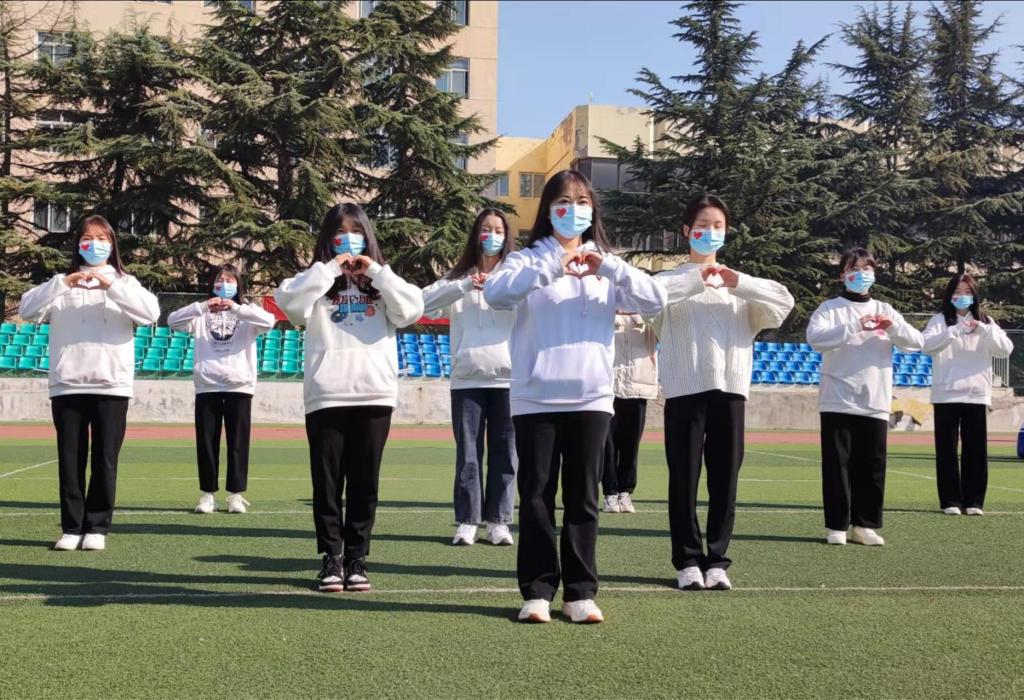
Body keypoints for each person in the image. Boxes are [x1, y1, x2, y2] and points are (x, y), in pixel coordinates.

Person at [484, 169, 667, 624]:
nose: (573, 210)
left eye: (582, 202)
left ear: (593, 210)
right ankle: (537, 591)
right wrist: (553, 267)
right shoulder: (526, 260)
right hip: (536, 398)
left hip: (592, 397)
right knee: (536, 496)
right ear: (548, 210)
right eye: (563, 202)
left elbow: (655, 300)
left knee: (584, 498)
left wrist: (609, 266)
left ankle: (580, 592)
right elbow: (496, 294)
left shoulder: (606, 264)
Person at [275, 203, 423, 592]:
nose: (348, 240)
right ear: (328, 239)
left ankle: (357, 558)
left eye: (355, 232)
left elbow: (411, 310)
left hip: (374, 394)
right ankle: (331, 558)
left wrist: (374, 271)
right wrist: (329, 269)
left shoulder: (382, 281)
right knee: (327, 485)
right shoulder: (314, 280)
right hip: (327, 395)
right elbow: (291, 306)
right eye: (339, 233)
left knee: (364, 483)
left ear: (367, 236)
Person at [653, 194, 794, 591]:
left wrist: (739, 282)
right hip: (684, 389)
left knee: (725, 479)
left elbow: (784, 302)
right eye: (702, 225)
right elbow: (648, 300)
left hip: (730, 391)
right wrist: (695, 279)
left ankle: (717, 559)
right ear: (686, 230)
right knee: (684, 478)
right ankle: (687, 560)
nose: (709, 232)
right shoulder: (668, 281)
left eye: (718, 226)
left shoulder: (739, 285)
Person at [18, 214, 159, 551]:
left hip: (111, 384)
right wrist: (62, 284)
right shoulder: (60, 283)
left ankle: (96, 527)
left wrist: (111, 286)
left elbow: (150, 314)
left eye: (101, 239)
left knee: (105, 459)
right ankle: (71, 527)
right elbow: (26, 309)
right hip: (68, 383)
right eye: (87, 238)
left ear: (112, 245)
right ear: (77, 244)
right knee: (70, 460)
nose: (93, 245)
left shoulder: (125, 282)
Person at [806, 247, 924, 546]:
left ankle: (864, 525)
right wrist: (855, 325)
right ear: (843, 275)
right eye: (854, 269)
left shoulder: (885, 309)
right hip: (838, 398)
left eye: (867, 268)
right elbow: (816, 339)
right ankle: (837, 525)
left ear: (875, 274)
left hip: (875, 399)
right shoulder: (830, 308)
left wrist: (892, 327)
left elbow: (916, 342)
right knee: (837, 465)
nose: (861, 274)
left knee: (872, 466)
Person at [422, 209, 518, 546]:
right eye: (485, 229)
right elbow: (423, 304)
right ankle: (467, 520)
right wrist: (464, 285)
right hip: (467, 379)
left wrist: (501, 287)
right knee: (468, 454)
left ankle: (499, 521)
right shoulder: (457, 277)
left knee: (507, 453)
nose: (492, 236)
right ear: (476, 234)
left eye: (498, 230)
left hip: (509, 380)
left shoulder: (515, 276)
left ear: (507, 236)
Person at [167, 264, 275, 514]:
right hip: (208, 386)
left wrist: (236, 307)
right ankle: (207, 495)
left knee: (238, 443)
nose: (224, 285)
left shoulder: (247, 311)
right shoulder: (201, 314)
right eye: (219, 280)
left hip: (240, 386)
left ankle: (236, 495)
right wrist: (205, 306)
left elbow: (269, 322)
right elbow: (173, 321)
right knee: (206, 443)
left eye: (229, 280)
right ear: (212, 285)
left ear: (238, 284)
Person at [922, 273, 1013, 516]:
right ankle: (950, 500)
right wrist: (952, 331)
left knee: (976, 450)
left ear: (974, 296)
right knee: (947, 451)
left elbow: (1005, 350)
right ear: (949, 295)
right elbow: (927, 346)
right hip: (946, 394)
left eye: (967, 292)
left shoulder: (985, 321)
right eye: (957, 292)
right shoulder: (939, 320)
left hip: (976, 394)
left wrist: (984, 330)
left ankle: (974, 501)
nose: (962, 296)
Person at [601, 312, 658, 515]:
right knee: (607, 445)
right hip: (608, 386)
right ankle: (610, 492)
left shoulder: (647, 314)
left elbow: (660, 326)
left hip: (638, 386)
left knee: (631, 444)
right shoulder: (605, 311)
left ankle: (625, 491)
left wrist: (639, 313)